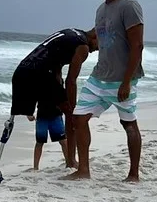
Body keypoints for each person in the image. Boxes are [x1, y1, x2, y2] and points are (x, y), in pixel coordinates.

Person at [64, 0, 144, 182]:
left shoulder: (129, 6)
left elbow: (137, 46)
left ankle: (133, 174)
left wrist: (126, 82)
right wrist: (73, 38)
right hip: (99, 76)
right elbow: (98, 37)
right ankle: (83, 170)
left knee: (128, 124)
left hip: (122, 79)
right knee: (79, 118)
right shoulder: (100, 10)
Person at [11, 28, 98, 168]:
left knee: (16, 114)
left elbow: (55, 60)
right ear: (96, 35)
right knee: (72, 115)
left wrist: (59, 89)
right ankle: (71, 161)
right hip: (41, 74)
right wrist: (72, 106)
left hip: (22, 71)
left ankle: (69, 159)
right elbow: (71, 80)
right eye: (100, 45)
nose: (98, 49)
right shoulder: (83, 47)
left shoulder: (71, 32)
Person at [26, 94, 69, 171]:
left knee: (63, 141)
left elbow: (63, 95)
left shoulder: (58, 81)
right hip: (42, 116)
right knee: (39, 142)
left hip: (56, 115)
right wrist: (29, 113)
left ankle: (69, 163)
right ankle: (35, 167)